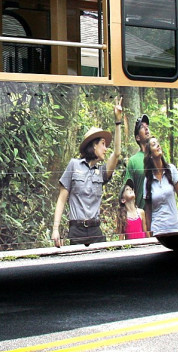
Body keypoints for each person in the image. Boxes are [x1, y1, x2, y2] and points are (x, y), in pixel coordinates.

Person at [52, 97, 123, 246]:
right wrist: (55, 229)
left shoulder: (102, 171)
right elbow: (61, 199)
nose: (106, 148)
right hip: (76, 230)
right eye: (103, 144)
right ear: (94, 146)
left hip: (95, 229)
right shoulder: (74, 165)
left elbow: (117, 153)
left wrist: (118, 121)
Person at [143, 137, 178, 236]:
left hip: (175, 227)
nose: (158, 145)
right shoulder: (147, 179)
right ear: (150, 154)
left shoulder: (171, 169)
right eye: (154, 144)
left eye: (158, 143)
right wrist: (149, 234)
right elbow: (148, 210)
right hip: (158, 230)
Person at [125, 114, 151, 210]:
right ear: (137, 138)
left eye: (147, 127)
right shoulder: (133, 161)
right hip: (142, 215)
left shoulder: (158, 156)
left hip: (161, 217)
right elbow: (128, 189)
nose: (146, 129)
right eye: (142, 127)